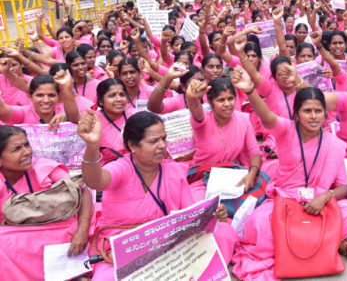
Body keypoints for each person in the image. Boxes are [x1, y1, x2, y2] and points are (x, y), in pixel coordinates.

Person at [230, 72, 347, 279]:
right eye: (307, 111)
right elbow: (267, 117)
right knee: (258, 224)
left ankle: (308, 242)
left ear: (325, 113)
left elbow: (343, 187)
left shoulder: (334, 144)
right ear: (297, 114)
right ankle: (327, 241)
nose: (313, 116)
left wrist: (324, 197)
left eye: (318, 111)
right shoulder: (286, 131)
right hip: (284, 200)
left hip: (318, 203)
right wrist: (249, 91)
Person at [77, 110, 238, 279]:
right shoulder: (122, 168)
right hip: (126, 250)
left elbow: (191, 214)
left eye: (164, 138)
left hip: (167, 244)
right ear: (132, 146)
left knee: (223, 232)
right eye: (153, 141)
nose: (162, 145)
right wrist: (93, 146)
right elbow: (95, 181)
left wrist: (213, 214)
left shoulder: (174, 171)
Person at [0, 126, 93, 279]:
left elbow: (82, 191)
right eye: (16, 149)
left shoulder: (41, 167)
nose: (26, 152)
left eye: (27, 145)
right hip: (21, 241)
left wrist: (82, 229)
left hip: (63, 230)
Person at [185, 76, 267, 198]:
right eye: (221, 100)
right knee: (196, 200)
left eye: (230, 98)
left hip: (231, 175)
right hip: (204, 177)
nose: (227, 104)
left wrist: (252, 174)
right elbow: (195, 108)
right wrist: (191, 97)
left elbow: (254, 153)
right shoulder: (203, 120)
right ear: (211, 102)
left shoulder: (243, 120)